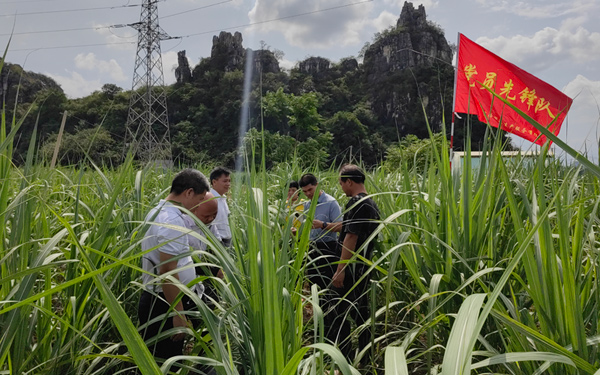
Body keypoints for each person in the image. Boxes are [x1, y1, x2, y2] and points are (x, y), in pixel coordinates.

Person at [138, 168, 210, 363]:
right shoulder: (171, 222)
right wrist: (177, 314)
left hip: (163, 301)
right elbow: (168, 271)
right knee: (165, 362)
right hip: (164, 305)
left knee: (161, 359)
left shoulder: (160, 211)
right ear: (188, 192)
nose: (200, 204)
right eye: (200, 198)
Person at [325, 164, 380, 365]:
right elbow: (347, 227)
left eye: (341, 182)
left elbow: (350, 237)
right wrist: (324, 226)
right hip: (362, 268)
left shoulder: (357, 203)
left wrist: (340, 270)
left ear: (349, 181)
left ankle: (343, 360)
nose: (341, 187)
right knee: (360, 313)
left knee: (338, 314)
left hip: (352, 269)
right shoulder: (370, 203)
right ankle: (364, 359)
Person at [299, 173, 342, 291]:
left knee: (327, 282)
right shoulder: (307, 205)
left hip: (328, 248)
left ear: (317, 185)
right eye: (304, 191)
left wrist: (323, 225)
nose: (308, 194)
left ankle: (328, 308)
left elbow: (341, 226)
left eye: (310, 190)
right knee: (314, 282)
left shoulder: (331, 203)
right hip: (312, 248)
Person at [209, 167, 232, 247]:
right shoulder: (210, 199)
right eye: (225, 181)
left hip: (227, 241)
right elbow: (210, 224)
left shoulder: (223, 198)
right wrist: (219, 243)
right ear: (214, 182)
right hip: (217, 243)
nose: (228, 184)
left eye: (229, 181)